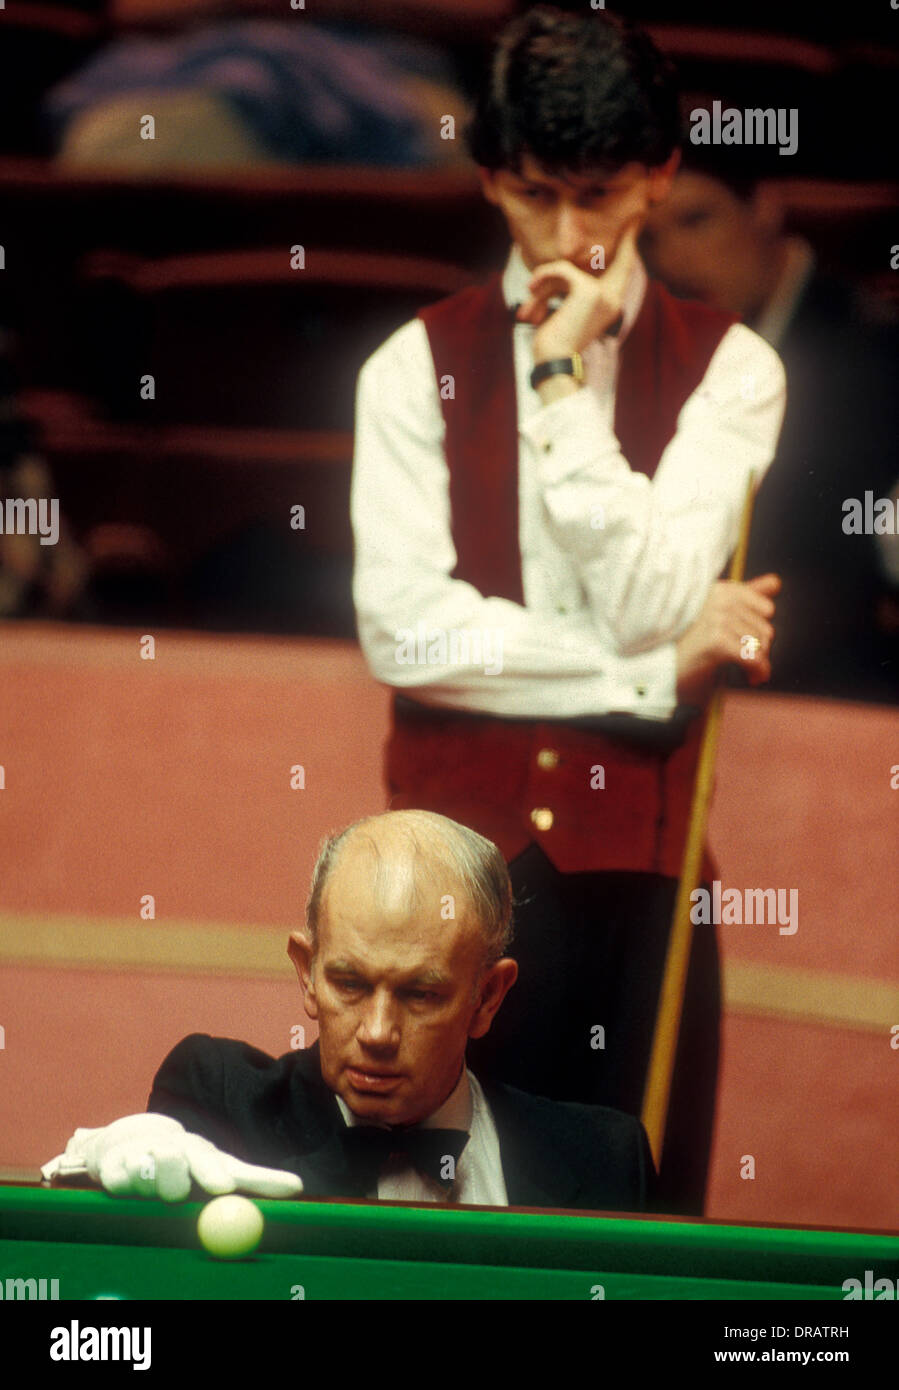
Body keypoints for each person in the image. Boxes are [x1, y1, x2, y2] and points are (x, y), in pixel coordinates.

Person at [350, 6, 786, 1214]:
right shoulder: (407, 365)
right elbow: (402, 630)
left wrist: (555, 380)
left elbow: (650, 590)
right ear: (491, 178)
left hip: (640, 896)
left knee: (635, 1241)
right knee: (431, 1236)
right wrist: (647, 673)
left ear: (655, 178)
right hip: (446, 891)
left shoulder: (737, 368)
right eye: (536, 194)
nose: (564, 238)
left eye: (596, 198)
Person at [42, 810, 656, 1212]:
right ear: (306, 974)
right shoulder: (218, 1100)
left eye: (421, 994)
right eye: (350, 984)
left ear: (487, 997)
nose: (378, 1033)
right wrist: (100, 1158)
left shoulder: (603, 1160)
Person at [640, 140, 899, 700]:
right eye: (652, 238)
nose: (676, 259)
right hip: (682, 674)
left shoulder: (876, 348)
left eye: (696, 220)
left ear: (764, 206)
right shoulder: (653, 344)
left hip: (827, 689)